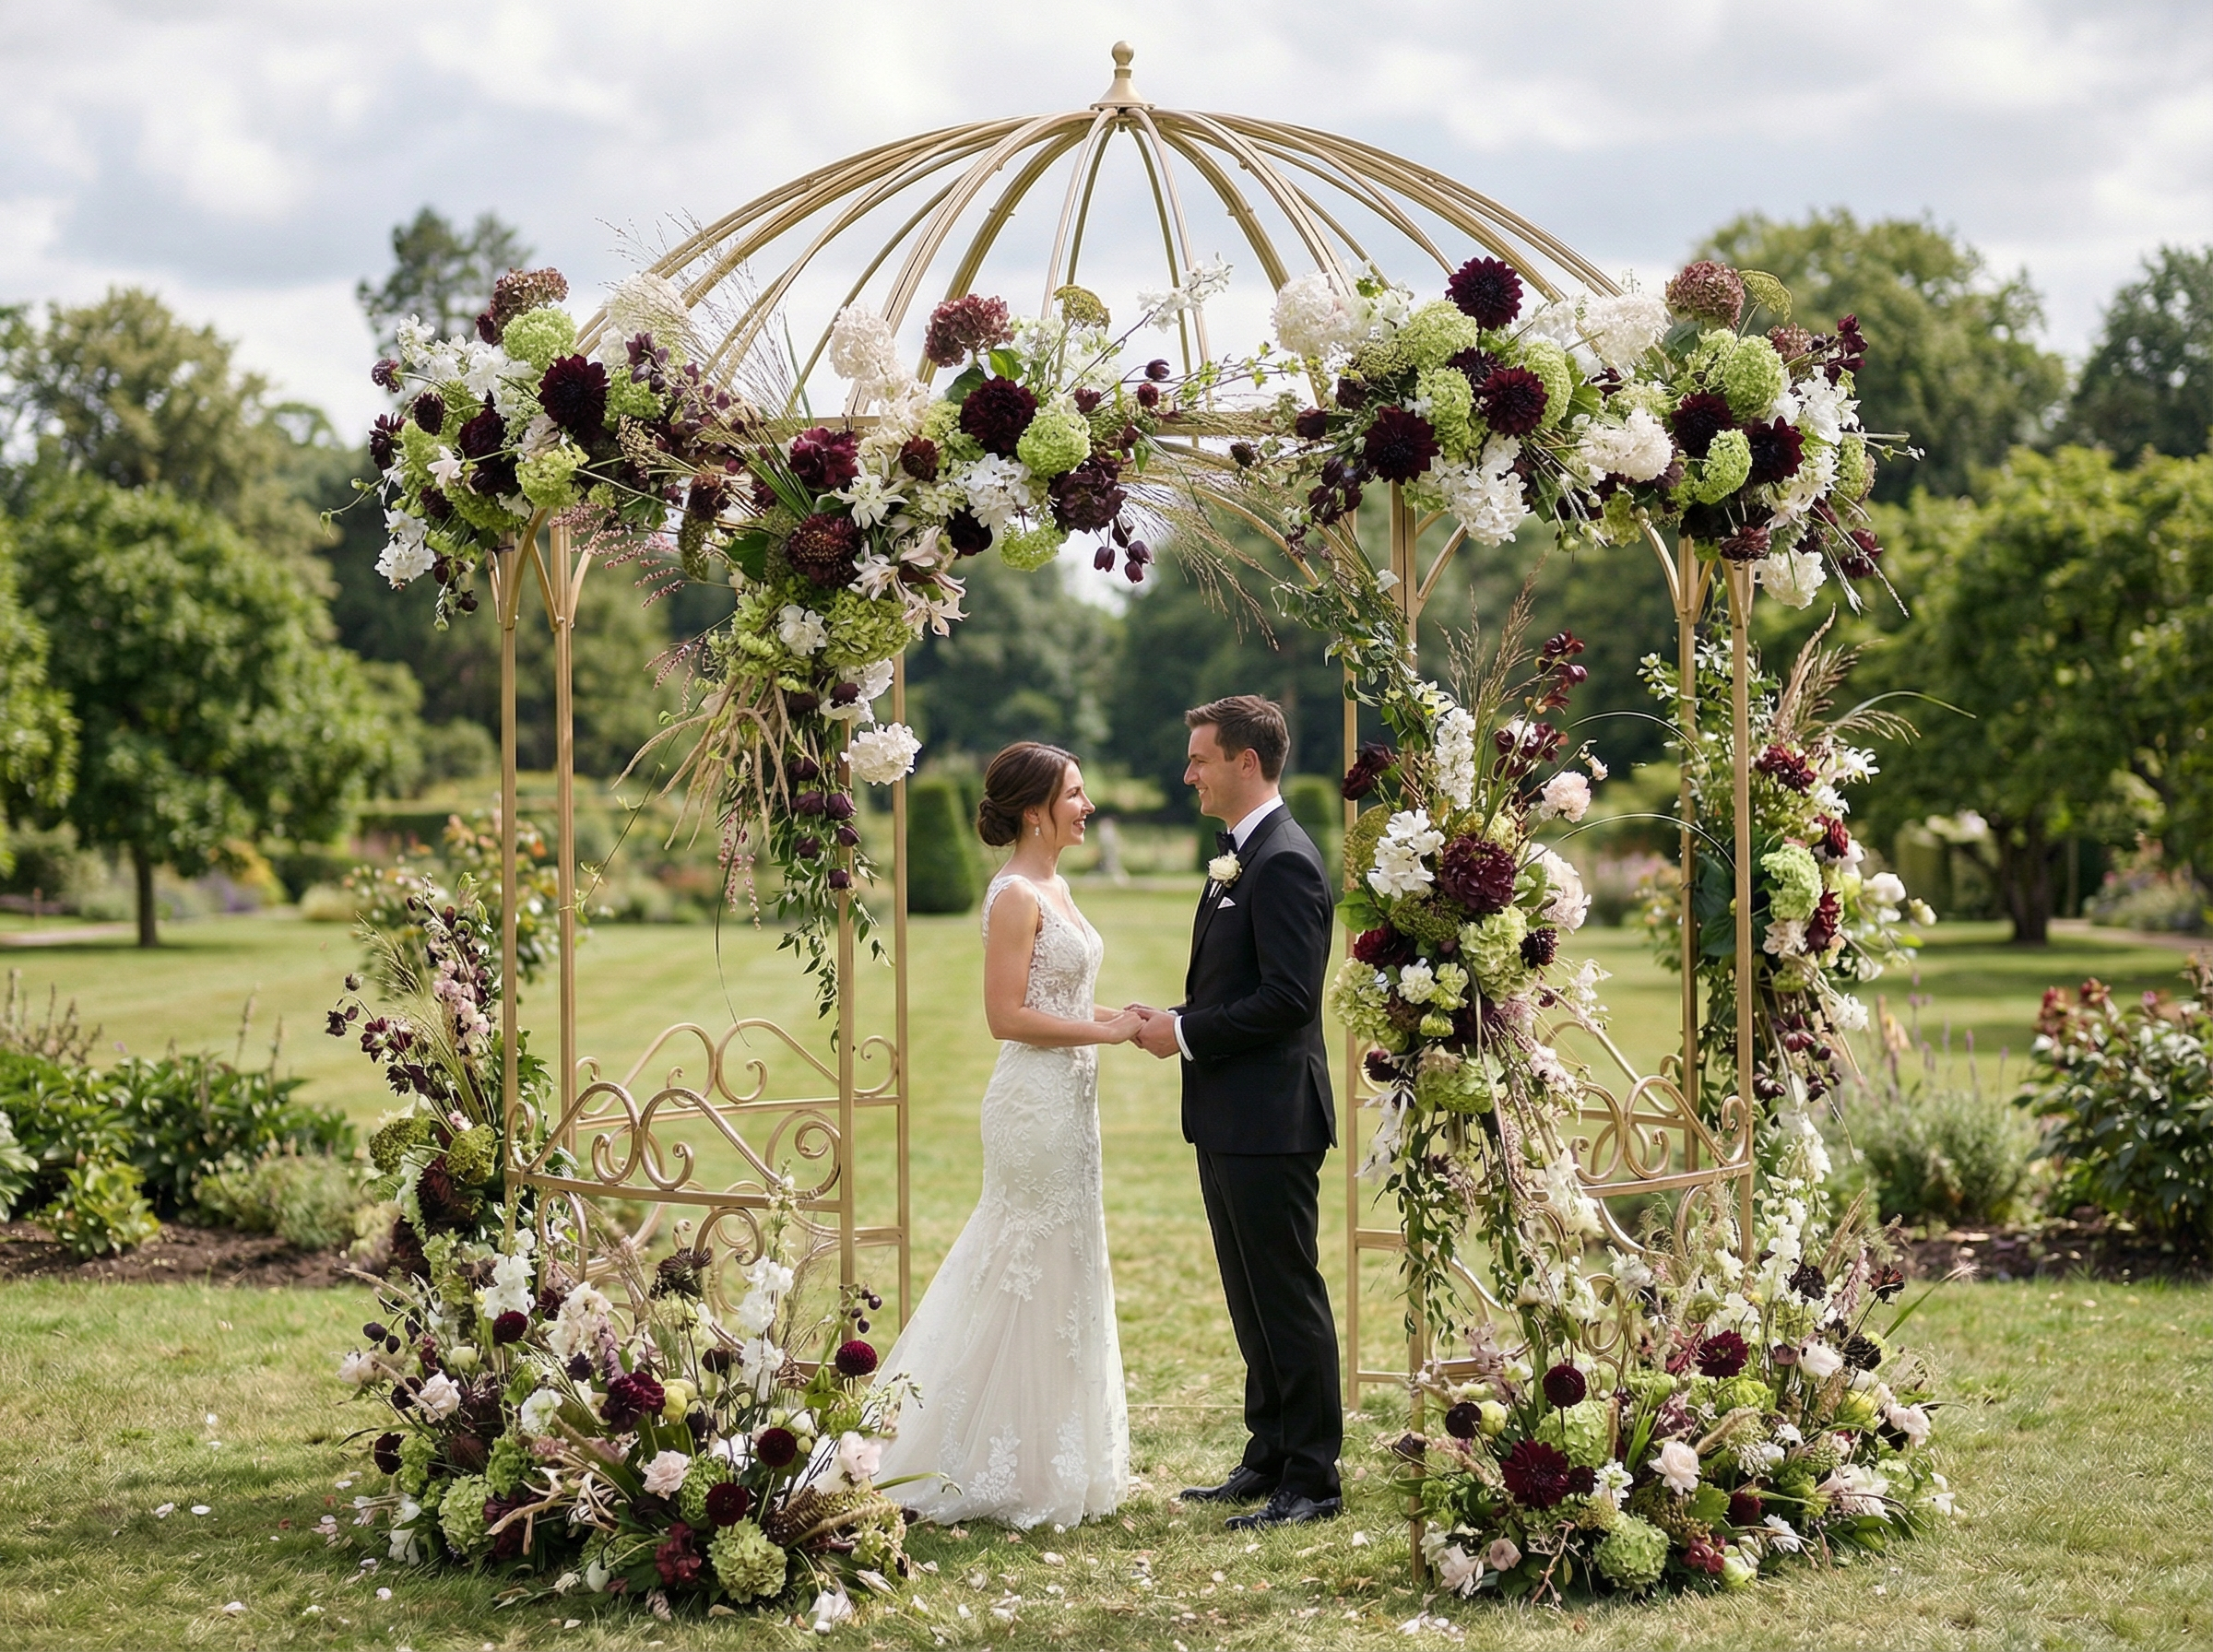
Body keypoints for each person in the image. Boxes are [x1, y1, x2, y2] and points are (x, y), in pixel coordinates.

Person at [872, 741, 1141, 1528]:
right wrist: (1106, 1035)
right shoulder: (1016, 894)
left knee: (1063, 1263)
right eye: (1076, 794)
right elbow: (1006, 1018)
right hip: (1033, 1104)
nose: (1087, 806)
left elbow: (1057, 996)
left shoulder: (1055, 884)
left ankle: (1042, 1450)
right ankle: (971, 1454)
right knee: (1024, 1259)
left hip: (1071, 1103)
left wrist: (1112, 1016)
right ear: (1035, 810)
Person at [1130, 695, 1342, 1529]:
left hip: (1272, 1120)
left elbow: (1290, 1000)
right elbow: (1238, 985)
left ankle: (1314, 1479)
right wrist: (1178, 1016)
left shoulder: (1284, 860)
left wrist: (1181, 1032)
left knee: (1286, 1296)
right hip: (1229, 1117)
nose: (1188, 773)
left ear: (1245, 762)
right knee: (1250, 1297)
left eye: (1199, 759)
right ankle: (1268, 1456)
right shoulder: (1240, 858)